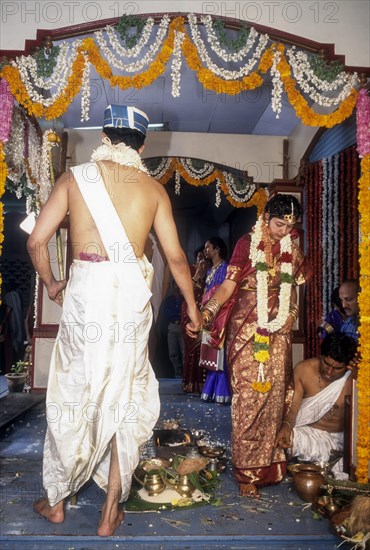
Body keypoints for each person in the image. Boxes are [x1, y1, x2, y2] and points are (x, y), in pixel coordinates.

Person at [27, 104, 202, 536]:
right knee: (127, 395)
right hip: (128, 300)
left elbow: (36, 241)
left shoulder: (74, 179)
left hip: (86, 291)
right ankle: (109, 514)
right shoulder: (154, 190)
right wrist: (193, 308)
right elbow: (176, 258)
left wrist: (51, 283)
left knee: (74, 391)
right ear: (142, 145)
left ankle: (57, 502)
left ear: (104, 139)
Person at [188, 194, 311, 497]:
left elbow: (294, 290)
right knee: (247, 399)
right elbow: (228, 286)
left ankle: (271, 464)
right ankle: (246, 471)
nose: (284, 230)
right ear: (266, 216)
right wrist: (207, 313)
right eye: (280, 223)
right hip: (246, 329)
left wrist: (290, 315)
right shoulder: (247, 243)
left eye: (290, 225)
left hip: (278, 330)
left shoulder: (292, 248)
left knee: (274, 397)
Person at [274, 333, 357, 479]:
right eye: (326, 364)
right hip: (305, 432)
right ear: (320, 355)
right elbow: (293, 408)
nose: (329, 372)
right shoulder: (303, 369)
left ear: (348, 365)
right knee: (281, 440)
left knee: (344, 471)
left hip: (337, 442)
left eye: (337, 368)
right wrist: (286, 427)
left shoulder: (354, 379)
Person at [200, 237, 232, 404]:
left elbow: (221, 292)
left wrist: (209, 300)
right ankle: (212, 389)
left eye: (208, 247)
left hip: (220, 315)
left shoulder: (225, 268)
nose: (206, 250)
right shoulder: (210, 269)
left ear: (216, 249)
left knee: (219, 353)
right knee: (210, 353)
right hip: (209, 316)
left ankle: (221, 391)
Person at [181, 246, 208, 394]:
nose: (202, 259)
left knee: (201, 349)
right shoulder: (191, 270)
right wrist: (197, 274)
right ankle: (189, 382)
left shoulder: (211, 272)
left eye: (204, 256)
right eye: (199, 257)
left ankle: (201, 385)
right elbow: (182, 290)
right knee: (190, 348)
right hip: (189, 312)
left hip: (204, 313)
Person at [162, 281, 185, 378]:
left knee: (184, 351)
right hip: (172, 326)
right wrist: (177, 314)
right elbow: (168, 313)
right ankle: (178, 373)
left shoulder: (184, 300)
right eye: (175, 285)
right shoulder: (169, 300)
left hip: (182, 325)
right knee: (173, 352)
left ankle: (185, 374)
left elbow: (184, 313)